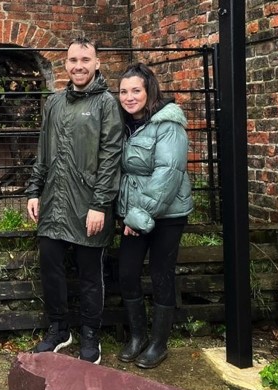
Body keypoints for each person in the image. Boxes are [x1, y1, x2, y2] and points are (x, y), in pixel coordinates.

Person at [25, 36, 123, 364]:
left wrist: (99, 204)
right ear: (65, 64)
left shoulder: (107, 103)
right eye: (73, 60)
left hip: (88, 204)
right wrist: (34, 190)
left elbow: (111, 155)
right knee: (51, 267)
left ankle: (91, 333)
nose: (78, 66)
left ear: (96, 64)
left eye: (85, 60)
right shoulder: (54, 103)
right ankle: (59, 329)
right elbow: (43, 149)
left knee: (89, 273)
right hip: (54, 202)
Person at [115, 63, 194, 368]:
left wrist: (139, 216)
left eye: (136, 90)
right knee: (127, 273)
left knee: (162, 274)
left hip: (167, 215)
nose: (129, 97)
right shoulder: (123, 124)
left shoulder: (168, 124)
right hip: (134, 214)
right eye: (124, 91)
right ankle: (137, 337)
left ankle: (159, 344)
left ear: (149, 91)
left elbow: (168, 173)